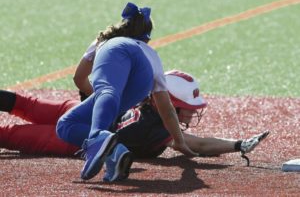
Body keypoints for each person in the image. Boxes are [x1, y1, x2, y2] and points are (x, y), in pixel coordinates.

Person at [0, 70, 269, 181]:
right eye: (187, 108)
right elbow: (192, 144)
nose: (191, 114)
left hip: (77, 110)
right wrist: (236, 145)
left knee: (26, 104)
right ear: (170, 104)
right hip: (71, 137)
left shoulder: (148, 106)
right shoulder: (153, 127)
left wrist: (236, 145)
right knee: (9, 135)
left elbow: (193, 143)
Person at [56, 2, 197, 182]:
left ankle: (98, 136)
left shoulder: (107, 41)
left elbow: (79, 78)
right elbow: (166, 108)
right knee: (65, 124)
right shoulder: (151, 54)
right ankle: (116, 154)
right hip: (142, 81)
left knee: (102, 94)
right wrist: (179, 141)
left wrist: (100, 97)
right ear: (147, 37)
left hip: (115, 58)